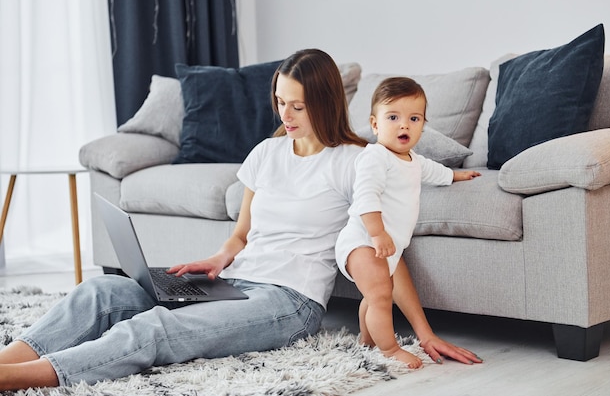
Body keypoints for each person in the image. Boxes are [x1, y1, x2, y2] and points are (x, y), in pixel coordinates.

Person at [0, 50, 480, 392]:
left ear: (326, 102)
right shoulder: (267, 152)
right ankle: (7, 360)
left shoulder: (359, 161)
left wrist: (425, 330)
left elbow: (386, 248)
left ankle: (15, 380)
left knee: (155, 329)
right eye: (279, 102)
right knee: (101, 292)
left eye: (297, 105)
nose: (285, 114)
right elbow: (241, 234)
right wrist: (216, 260)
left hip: (287, 301)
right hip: (233, 279)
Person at [335, 77, 482, 368]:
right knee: (379, 294)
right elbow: (365, 197)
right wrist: (377, 234)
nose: (404, 125)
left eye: (413, 118)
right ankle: (390, 350)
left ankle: (367, 340)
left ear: (423, 125)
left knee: (376, 295)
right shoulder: (375, 157)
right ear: (375, 125)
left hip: (386, 245)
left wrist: (457, 176)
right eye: (393, 118)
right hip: (362, 241)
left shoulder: (414, 159)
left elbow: (436, 172)